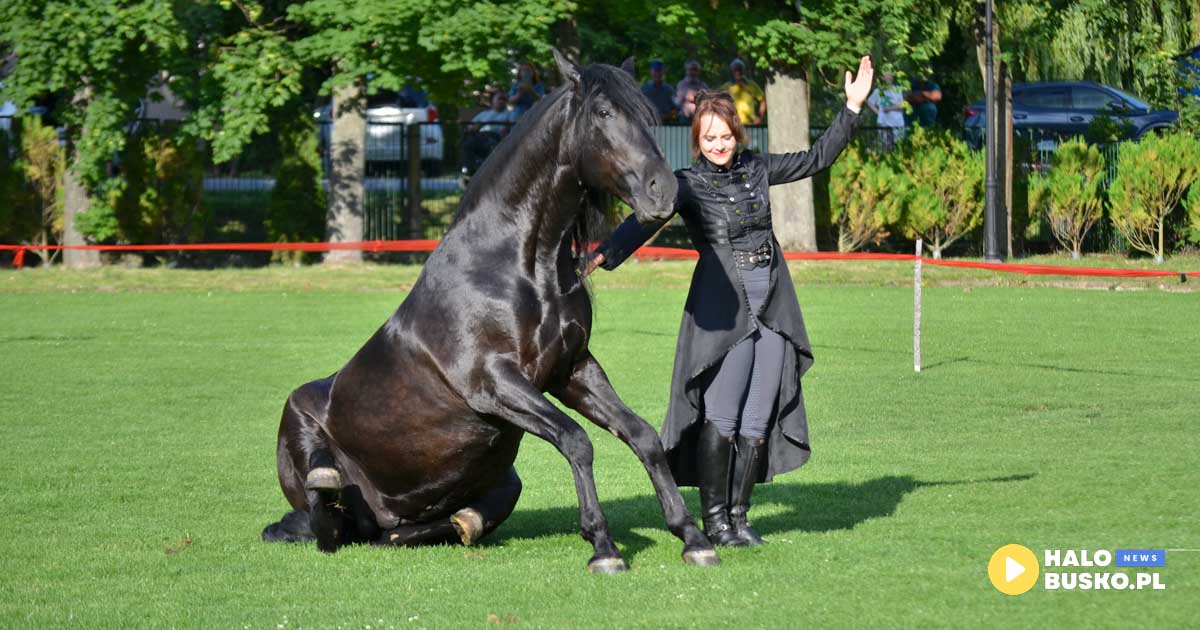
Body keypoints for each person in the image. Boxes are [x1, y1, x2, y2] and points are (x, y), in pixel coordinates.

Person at [585, 57, 875, 547]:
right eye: (709, 139)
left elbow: (817, 158)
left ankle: (740, 518)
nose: (718, 146)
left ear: (737, 136)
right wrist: (603, 253)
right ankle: (714, 520)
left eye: (725, 137)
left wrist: (851, 108)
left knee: (759, 417)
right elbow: (644, 220)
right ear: (698, 141)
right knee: (723, 414)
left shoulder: (758, 169)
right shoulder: (687, 184)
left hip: (774, 310)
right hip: (727, 313)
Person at [867, 70, 906, 148]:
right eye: (887, 76)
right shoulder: (878, 91)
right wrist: (878, 113)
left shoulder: (898, 90)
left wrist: (889, 108)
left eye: (891, 76)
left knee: (898, 145)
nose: (889, 77)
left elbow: (902, 105)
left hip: (897, 121)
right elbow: (870, 102)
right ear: (882, 78)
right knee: (885, 145)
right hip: (884, 122)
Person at [724, 58, 766, 125]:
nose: (738, 72)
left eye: (739, 70)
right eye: (735, 70)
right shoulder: (727, 87)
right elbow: (717, 102)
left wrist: (759, 117)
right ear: (732, 72)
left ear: (743, 71)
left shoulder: (751, 85)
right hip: (733, 124)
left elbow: (763, 100)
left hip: (750, 123)